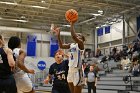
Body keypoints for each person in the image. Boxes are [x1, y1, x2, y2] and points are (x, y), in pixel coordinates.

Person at [53, 22, 85, 93]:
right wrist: (58, 35)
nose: (78, 35)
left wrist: (72, 23)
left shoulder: (81, 44)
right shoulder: (71, 45)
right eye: (77, 35)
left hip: (77, 70)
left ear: (82, 40)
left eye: (80, 36)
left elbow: (73, 36)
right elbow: (61, 46)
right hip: (70, 70)